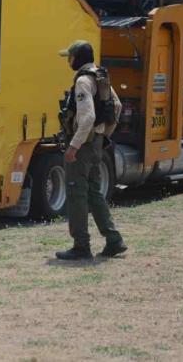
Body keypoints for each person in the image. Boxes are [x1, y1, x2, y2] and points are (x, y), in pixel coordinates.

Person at [55, 40, 127, 260]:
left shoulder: (83, 81)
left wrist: (74, 147)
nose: (69, 61)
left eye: (70, 57)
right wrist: (104, 135)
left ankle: (81, 246)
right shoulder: (100, 77)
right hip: (96, 144)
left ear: (78, 58)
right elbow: (117, 107)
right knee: (95, 193)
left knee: (77, 193)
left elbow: (87, 117)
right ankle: (113, 240)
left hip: (83, 146)